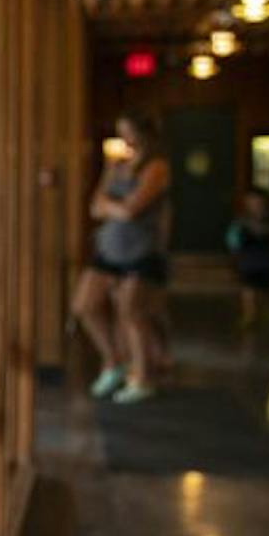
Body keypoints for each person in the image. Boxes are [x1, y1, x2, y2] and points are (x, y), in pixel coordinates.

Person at [73, 112, 171, 405]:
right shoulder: (116, 166)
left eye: (128, 132)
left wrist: (110, 207)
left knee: (131, 313)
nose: (125, 140)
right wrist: (112, 202)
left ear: (144, 135)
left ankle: (142, 377)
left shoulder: (157, 167)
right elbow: (95, 206)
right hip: (109, 248)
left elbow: (132, 209)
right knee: (84, 305)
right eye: (121, 133)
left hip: (140, 250)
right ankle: (113, 361)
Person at [226, 188, 269, 328]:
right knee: (247, 288)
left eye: (256, 200)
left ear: (263, 202)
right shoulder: (241, 219)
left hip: (266, 260)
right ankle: (249, 316)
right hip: (248, 259)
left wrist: (253, 226)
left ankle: (267, 310)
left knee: (265, 290)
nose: (252, 204)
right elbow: (233, 238)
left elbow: (268, 231)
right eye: (250, 201)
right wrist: (234, 252)